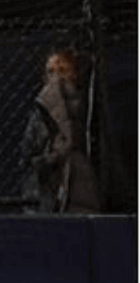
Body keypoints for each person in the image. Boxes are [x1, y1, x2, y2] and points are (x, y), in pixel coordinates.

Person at [20, 48, 100, 213]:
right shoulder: (40, 111)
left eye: (62, 70)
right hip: (46, 191)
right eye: (51, 71)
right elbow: (28, 151)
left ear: (75, 75)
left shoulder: (90, 106)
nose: (56, 77)